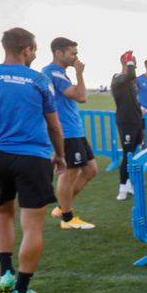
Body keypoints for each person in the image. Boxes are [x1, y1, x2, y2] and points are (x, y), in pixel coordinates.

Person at [0, 27, 65, 293]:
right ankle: (20, 290)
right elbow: (54, 125)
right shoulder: (38, 79)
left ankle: (5, 272)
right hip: (32, 157)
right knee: (32, 226)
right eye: (35, 49)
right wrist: (61, 155)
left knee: (2, 214)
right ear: (27, 50)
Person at [42, 37, 97, 229]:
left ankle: (61, 207)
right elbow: (82, 96)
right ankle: (67, 218)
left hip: (75, 130)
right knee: (68, 173)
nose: (76, 57)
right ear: (59, 53)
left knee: (91, 170)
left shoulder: (60, 73)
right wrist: (80, 74)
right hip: (66, 132)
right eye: (72, 53)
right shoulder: (53, 73)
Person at [111, 51, 143, 201]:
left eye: (134, 62)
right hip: (125, 122)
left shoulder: (131, 81)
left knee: (133, 151)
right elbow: (130, 75)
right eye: (132, 62)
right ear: (125, 63)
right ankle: (122, 187)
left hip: (137, 121)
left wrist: (140, 109)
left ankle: (129, 184)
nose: (134, 65)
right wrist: (128, 61)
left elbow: (133, 100)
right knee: (127, 153)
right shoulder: (117, 78)